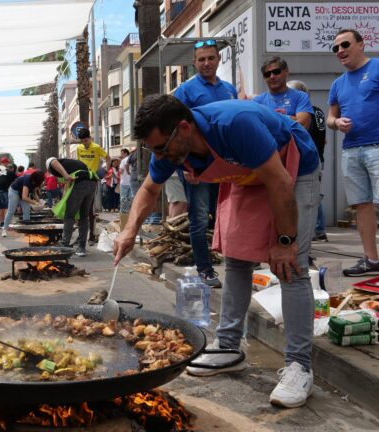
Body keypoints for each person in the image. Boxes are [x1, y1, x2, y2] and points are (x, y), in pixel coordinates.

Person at [115, 95, 321, 408]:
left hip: (291, 167)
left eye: (160, 148)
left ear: (184, 128)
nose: (160, 156)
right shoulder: (170, 145)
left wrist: (284, 241)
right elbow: (149, 189)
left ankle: (299, 367)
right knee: (237, 257)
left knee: (290, 266)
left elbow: (279, 182)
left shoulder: (235, 125)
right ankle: (229, 346)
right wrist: (129, 232)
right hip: (247, 173)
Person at [327, 29, 379, 275]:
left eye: (345, 44)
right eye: (336, 48)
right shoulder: (337, 83)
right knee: (361, 206)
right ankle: (371, 260)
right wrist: (336, 123)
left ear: (362, 45)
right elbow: (331, 117)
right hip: (351, 150)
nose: (340, 50)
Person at [173, 39, 238, 288]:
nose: (206, 63)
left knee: (226, 215)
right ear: (194, 63)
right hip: (197, 168)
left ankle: (236, 264)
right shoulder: (185, 92)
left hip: (224, 167)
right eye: (201, 59)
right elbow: (176, 133)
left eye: (211, 58)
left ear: (218, 59)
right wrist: (185, 168)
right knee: (199, 219)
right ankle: (205, 269)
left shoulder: (229, 89)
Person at [287, 79, 328, 242]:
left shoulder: (306, 114)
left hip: (306, 157)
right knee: (315, 194)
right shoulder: (318, 111)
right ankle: (319, 229)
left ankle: (315, 229)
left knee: (308, 195)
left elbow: (303, 132)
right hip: (318, 156)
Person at [47, 157, 96, 257]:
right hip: (92, 182)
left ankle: (65, 246)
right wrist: (63, 200)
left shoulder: (52, 163)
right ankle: (81, 248)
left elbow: (53, 162)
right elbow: (67, 184)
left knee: (69, 216)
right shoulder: (70, 163)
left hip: (80, 183)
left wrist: (66, 175)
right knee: (83, 216)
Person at [76, 128, 111, 245]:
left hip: (92, 180)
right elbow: (78, 162)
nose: (84, 144)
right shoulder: (79, 148)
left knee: (90, 209)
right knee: (80, 208)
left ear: (89, 138)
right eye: (82, 141)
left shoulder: (96, 147)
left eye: (86, 141)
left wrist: (105, 171)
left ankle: (91, 236)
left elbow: (108, 158)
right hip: (81, 179)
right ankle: (81, 236)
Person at [1, 170, 46, 237]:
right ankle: (4, 229)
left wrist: (39, 201)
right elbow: (24, 197)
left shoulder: (35, 182)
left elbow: (33, 192)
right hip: (14, 191)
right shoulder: (27, 180)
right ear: (36, 179)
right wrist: (34, 202)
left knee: (26, 210)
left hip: (22, 193)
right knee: (11, 211)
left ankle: (26, 230)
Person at [0, 162, 16, 227]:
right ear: (13, 169)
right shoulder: (12, 173)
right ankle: (6, 223)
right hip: (2, 189)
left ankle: (1, 223)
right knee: (6, 206)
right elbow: (14, 183)